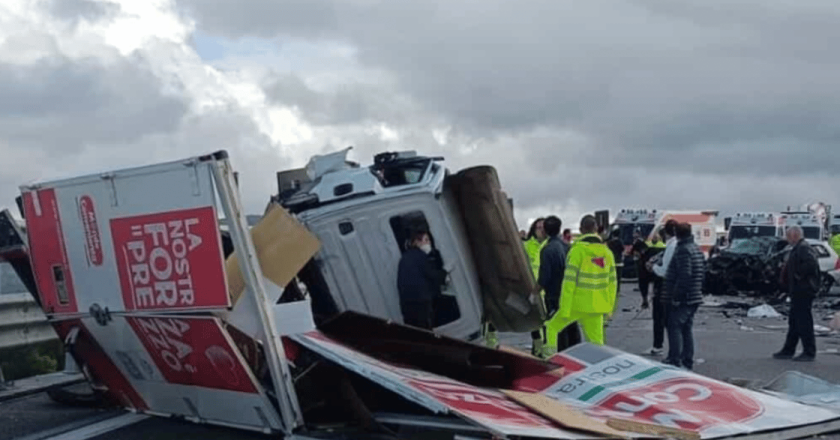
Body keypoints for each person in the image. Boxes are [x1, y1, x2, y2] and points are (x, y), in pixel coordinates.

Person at [544, 215, 617, 353]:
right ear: (596, 229)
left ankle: (551, 359)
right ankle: (599, 369)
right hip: (597, 306)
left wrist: (565, 308)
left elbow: (569, 282)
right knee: (597, 344)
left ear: (581, 230)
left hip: (577, 305)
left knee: (551, 328)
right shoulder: (607, 253)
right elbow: (613, 283)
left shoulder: (577, 251)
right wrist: (609, 308)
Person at [774, 226, 821, 362]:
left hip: (804, 290)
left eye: (788, 236)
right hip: (798, 290)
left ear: (795, 235)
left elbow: (810, 265)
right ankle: (788, 350)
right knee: (794, 322)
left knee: (804, 322)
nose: (787, 239)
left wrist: (797, 276)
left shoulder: (804, 248)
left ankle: (809, 352)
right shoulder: (798, 248)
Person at [662, 223, 705, 370]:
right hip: (693, 295)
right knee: (686, 328)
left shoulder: (683, 250)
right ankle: (687, 360)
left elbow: (684, 275)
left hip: (684, 297)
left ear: (676, 233)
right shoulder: (695, 248)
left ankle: (676, 360)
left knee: (675, 326)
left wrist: (676, 296)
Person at [397, 229, 447, 330]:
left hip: (407, 305)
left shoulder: (406, 257)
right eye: (426, 240)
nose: (429, 243)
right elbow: (432, 275)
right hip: (420, 304)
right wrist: (445, 273)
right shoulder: (420, 256)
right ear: (417, 242)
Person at [632, 231, 667, 356]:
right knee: (673, 321)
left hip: (660, 289)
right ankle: (678, 350)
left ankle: (658, 346)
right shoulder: (665, 249)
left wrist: (645, 299)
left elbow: (643, 280)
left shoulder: (645, 257)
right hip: (673, 287)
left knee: (658, 318)